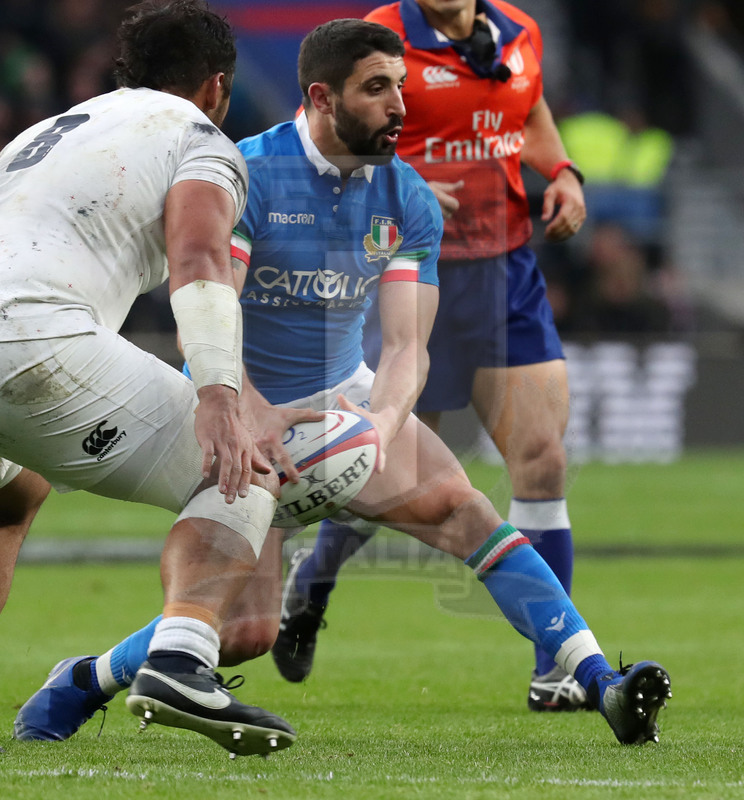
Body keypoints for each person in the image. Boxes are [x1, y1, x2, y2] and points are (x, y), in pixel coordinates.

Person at [15, 18, 671, 748]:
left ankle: (601, 683)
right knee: (246, 633)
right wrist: (248, 412)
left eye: (402, 86)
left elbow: (407, 347)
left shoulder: (406, 196)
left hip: (342, 397)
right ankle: (87, 679)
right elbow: (209, 311)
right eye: (377, 88)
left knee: (467, 512)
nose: (400, 106)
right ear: (322, 98)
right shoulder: (245, 173)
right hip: (248, 406)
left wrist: (378, 428)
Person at [0, 0, 311, 758]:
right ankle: (179, 660)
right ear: (217, 86)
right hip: (29, 337)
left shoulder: (41, 135)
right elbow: (199, 257)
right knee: (247, 476)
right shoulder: (199, 137)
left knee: (12, 495)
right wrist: (219, 394)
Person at [273, 0, 591, 712]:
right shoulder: (380, 38)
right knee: (389, 472)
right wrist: (404, 182)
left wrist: (564, 171)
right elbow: (324, 142)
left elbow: (530, 113)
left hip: (506, 271)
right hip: (413, 273)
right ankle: (315, 578)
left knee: (542, 460)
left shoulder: (520, 32)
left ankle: (556, 670)